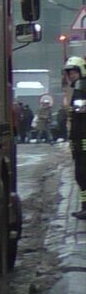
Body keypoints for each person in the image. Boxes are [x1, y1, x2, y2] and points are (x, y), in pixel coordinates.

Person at [65, 57, 86, 221]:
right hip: (78, 138)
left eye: (74, 72)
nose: (72, 75)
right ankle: (84, 206)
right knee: (80, 175)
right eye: (70, 73)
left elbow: (81, 116)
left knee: (82, 173)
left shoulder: (82, 89)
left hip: (83, 139)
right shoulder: (79, 88)